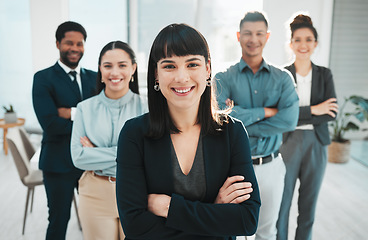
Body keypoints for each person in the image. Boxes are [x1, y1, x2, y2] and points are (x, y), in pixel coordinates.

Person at [115, 23, 261, 240]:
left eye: (192, 64)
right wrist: (215, 209)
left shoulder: (232, 132)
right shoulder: (134, 134)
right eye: (169, 66)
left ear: (208, 69)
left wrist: (169, 208)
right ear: (156, 73)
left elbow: (246, 219)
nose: (181, 77)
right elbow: (135, 226)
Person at [214, 11, 299, 240]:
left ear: (268, 36)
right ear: (239, 36)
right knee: (231, 230)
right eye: (248, 33)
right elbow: (219, 120)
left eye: (259, 33)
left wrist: (239, 118)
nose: (254, 39)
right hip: (232, 170)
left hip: (271, 166)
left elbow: (289, 120)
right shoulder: (223, 77)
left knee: (266, 232)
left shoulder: (283, 79)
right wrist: (265, 112)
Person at [70, 40, 148, 240]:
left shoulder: (148, 108)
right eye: (108, 66)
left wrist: (95, 151)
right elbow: (78, 157)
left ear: (133, 68)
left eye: (122, 65)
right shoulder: (84, 109)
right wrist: (131, 154)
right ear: (100, 70)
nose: (115, 72)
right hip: (95, 194)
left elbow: (151, 157)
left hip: (138, 193)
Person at [32, 21, 97, 239]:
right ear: (58, 43)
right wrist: (86, 119)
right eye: (69, 43)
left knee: (96, 220)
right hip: (58, 164)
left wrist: (70, 112)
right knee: (59, 220)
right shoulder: (42, 78)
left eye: (80, 43)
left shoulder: (96, 78)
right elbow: (50, 125)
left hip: (91, 162)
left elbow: (103, 119)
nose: (75, 48)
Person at [276, 14, 338, 240]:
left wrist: (297, 114)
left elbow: (331, 112)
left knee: (308, 207)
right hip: (287, 145)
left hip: (316, 145)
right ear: (291, 43)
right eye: (298, 39)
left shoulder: (325, 74)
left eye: (309, 39)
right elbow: (281, 115)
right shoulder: (281, 75)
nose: (304, 45)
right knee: (281, 206)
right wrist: (314, 110)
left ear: (316, 43)